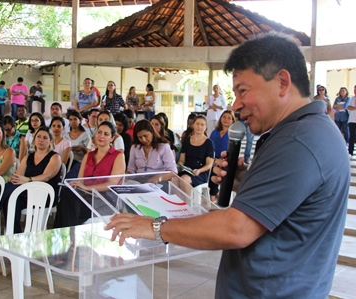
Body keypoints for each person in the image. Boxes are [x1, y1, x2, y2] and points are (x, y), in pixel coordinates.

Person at [106, 33, 349, 299]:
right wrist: (248, 183)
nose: (236, 104)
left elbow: (236, 229)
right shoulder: (309, 132)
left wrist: (155, 227)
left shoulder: (298, 141)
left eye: (244, 90)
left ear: (282, 82)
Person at [55, 121, 126, 228]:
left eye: (106, 134)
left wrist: (86, 187)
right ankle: (68, 232)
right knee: (66, 196)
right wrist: (77, 186)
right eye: (99, 132)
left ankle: (69, 233)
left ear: (112, 138)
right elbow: (80, 180)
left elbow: (112, 183)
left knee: (70, 204)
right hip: (85, 195)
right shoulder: (89, 155)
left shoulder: (118, 156)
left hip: (104, 198)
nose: (101, 136)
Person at [1, 126, 61, 233]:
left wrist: (28, 180)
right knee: (10, 198)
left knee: (10, 193)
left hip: (46, 194)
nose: (41, 140)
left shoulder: (55, 157)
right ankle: (15, 234)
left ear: (50, 141)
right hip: (27, 193)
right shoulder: (28, 157)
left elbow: (46, 176)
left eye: (45, 138)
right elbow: (18, 177)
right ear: (34, 139)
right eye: (38, 137)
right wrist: (16, 178)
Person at [126, 119, 177, 183]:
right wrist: (125, 175)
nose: (143, 140)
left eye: (146, 136)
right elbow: (131, 169)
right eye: (140, 137)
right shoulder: (135, 147)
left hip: (160, 182)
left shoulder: (163, 147)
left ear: (152, 132)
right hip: (139, 181)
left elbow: (173, 171)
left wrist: (158, 177)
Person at [177, 115, 214, 187]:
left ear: (205, 127)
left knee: (184, 179)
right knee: (175, 179)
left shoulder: (209, 143)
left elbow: (209, 164)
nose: (199, 126)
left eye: (202, 125)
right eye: (197, 124)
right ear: (193, 125)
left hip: (200, 172)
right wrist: (180, 166)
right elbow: (181, 159)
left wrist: (199, 170)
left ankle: (187, 198)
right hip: (187, 170)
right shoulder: (187, 141)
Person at [208, 110, 236, 202]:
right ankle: (215, 193)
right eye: (224, 117)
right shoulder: (215, 132)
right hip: (213, 159)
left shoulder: (233, 133)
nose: (226, 119)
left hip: (225, 161)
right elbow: (209, 145)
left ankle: (213, 194)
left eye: (229, 118)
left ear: (233, 121)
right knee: (211, 167)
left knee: (217, 168)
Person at [348, 85, 356, 157]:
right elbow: (349, 107)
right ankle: (350, 151)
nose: (355, 91)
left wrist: (354, 108)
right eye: (354, 90)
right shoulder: (352, 98)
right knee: (352, 136)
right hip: (352, 120)